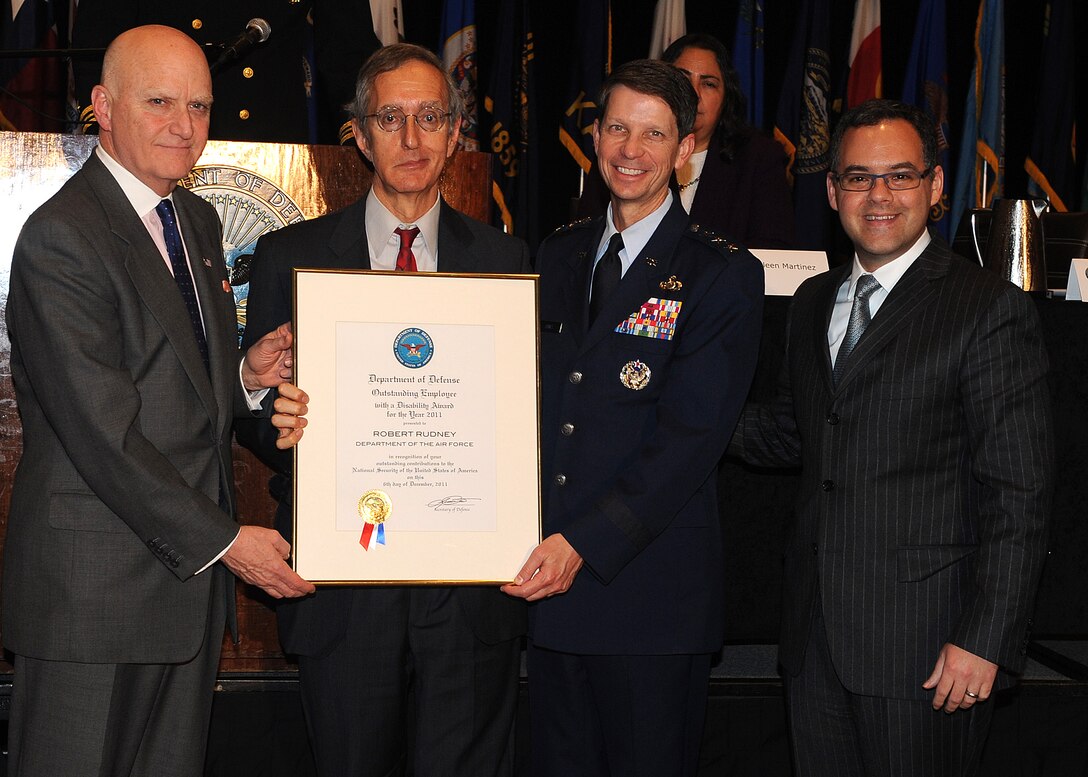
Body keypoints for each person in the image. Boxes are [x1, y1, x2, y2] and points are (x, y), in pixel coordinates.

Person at [2, 25, 314, 777]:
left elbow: (176, 386)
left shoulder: (194, 219)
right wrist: (229, 541)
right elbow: (103, 436)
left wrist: (246, 376)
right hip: (95, 599)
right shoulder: (63, 237)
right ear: (103, 107)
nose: (186, 126)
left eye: (201, 106)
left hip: (181, 595)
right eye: (160, 102)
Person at [728, 99, 1053, 776]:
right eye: (858, 177)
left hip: (928, 650)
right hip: (815, 641)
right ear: (831, 190)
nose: (878, 195)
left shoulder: (987, 308)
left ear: (935, 188)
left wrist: (984, 638)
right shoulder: (813, 300)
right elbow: (802, 432)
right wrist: (682, 415)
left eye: (900, 176)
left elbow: (1019, 493)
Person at [236, 43, 531, 777]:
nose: (412, 138)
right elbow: (254, 416)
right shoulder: (289, 255)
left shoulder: (506, 261)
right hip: (344, 592)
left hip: (468, 594)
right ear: (359, 136)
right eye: (390, 118)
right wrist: (261, 398)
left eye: (431, 116)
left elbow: (521, 419)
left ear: (457, 132)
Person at [500, 60, 764, 776]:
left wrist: (581, 543)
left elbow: (690, 438)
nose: (630, 149)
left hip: (647, 594)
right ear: (593, 135)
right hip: (550, 593)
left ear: (684, 149)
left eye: (654, 133)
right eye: (617, 127)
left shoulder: (721, 273)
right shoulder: (554, 254)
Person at [578, 33, 794, 249]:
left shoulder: (760, 157)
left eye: (708, 84)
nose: (694, 93)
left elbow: (774, 249)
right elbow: (586, 241)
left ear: (726, 96)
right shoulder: (620, 155)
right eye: (683, 77)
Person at [72, 0, 381, 144]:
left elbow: (349, 55)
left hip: (275, 146)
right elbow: (100, 47)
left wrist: (361, 135)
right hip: (165, 139)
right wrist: (99, 129)